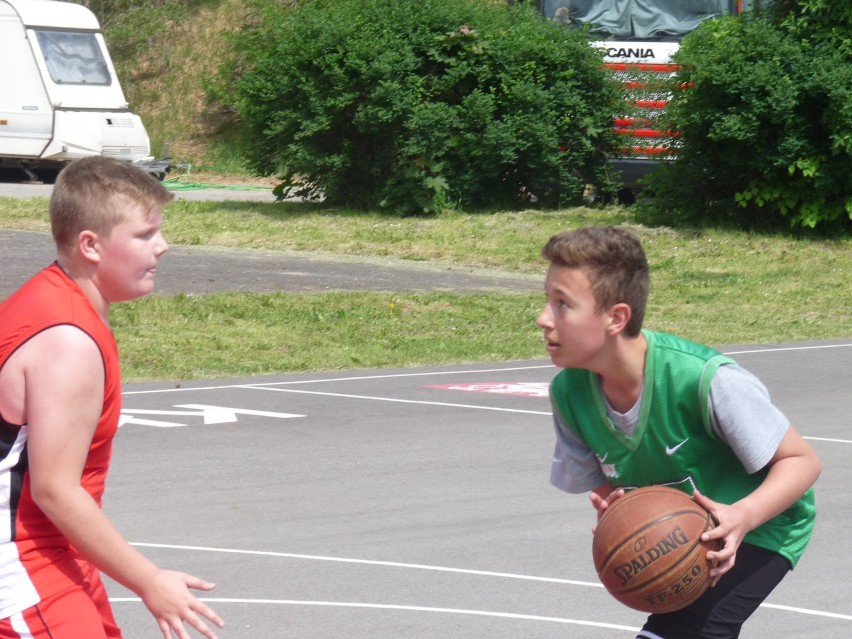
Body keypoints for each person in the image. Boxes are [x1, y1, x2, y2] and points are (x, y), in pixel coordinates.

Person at [536, 226, 820, 639]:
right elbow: (599, 485)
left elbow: (802, 461)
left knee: (689, 630)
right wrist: (618, 512)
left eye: (562, 305)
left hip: (765, 522)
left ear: (616, 318)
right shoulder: (570, 392)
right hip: (687, 535)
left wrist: (742, 516)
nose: (543, 318)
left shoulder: (703, 380)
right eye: (546, 301)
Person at [0, 156, 225, 639]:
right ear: (91, 245)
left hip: (54, 548)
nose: (163, 247)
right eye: (145, 235)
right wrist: (149, 581)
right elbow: (55, 489)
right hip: (20, 562)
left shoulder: (50, 299)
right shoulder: (68, 341)